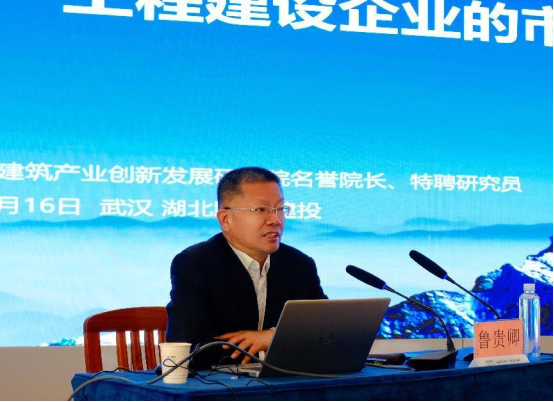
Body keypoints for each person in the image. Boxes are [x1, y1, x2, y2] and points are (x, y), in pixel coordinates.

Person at [166, 167, 327, 369]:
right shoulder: (195, 264)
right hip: (221, 384)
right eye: (261, 210)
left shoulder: (299, 265)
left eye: (280, 209)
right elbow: (188, 348)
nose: (275, 220)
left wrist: (273, 337)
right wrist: (277, 345)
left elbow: (326, 331)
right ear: (226, 219)